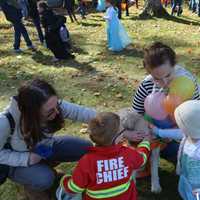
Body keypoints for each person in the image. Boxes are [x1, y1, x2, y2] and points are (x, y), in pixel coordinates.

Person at [0, 79, 96, 200]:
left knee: (85, 147)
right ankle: (32, 185)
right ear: (32, 112)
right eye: (50, 111)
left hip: (43, 148)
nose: (57, 112)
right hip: (17, 162)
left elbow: (83, 113)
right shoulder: (4, 122)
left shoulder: (51, 105)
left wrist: (113, 123)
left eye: (57, 106)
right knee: (45, 178)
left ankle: (44, 169)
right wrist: (27, 159)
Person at [56, 112, 151, 200]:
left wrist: (65, 180)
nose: (124, 134)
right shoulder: (127, 154)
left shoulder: (87, 161)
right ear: (116, 138)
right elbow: (142, 158)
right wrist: (145, 143)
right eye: (122, 131)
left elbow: (74, 188)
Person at [132, 42, 200, 163]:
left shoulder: (188, 83)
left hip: (187, 134)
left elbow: (197, 114)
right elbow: (135, 115)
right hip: (157, 135)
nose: (164, 82)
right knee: (177, 153)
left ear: (175, 65)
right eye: (157, 78)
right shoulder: (146, 85)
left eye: (168, 75)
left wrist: (177, 131)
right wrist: (155, 132)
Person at [174, 100, 200, 200]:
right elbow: (175, 133)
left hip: (196, 188)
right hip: (185, 177)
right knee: (185, 193)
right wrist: (158, 131)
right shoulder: (188, 135)